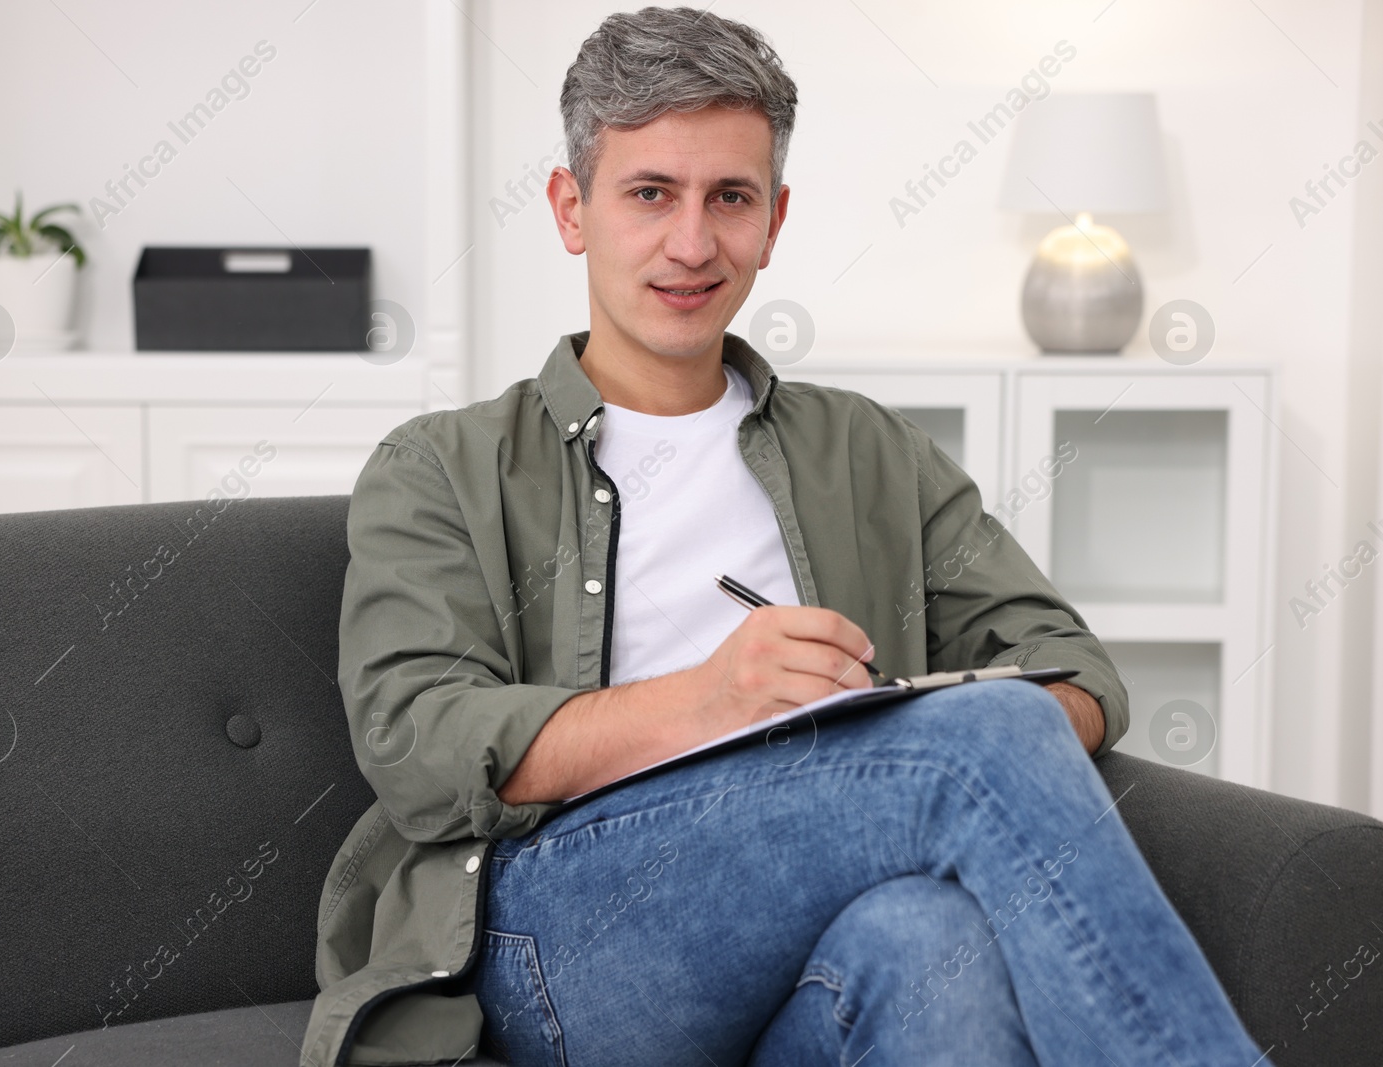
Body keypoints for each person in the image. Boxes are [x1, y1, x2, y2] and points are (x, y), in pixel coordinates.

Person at [298, 7, 1269, 1066]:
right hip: (564, 943)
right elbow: (416, 739)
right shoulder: (440, 463)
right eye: (650, 193)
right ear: (571, 209)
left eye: (731, 197)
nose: (692, 242)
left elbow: (1075, 672)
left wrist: (890, 732)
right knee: (983, 739)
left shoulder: (869, 450)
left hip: (813, 932)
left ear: (775, 218)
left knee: (927, 933)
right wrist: (713, 700)